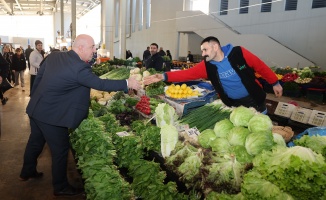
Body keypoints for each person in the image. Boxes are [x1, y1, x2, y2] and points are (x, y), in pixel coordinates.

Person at [19, 34, 140, 197]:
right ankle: (60, 187)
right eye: (92, 47)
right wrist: (127, 83)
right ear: (81, 47)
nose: (95, 51)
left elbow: (40, 77)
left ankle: (27, 172)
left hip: (36, 108)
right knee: (61, 150)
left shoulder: (54, 56)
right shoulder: (79, 67)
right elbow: (100, 84)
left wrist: (36, 98)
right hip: (52, 117)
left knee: (35, 141)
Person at [144, 36, 283, 113]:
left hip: (254, 99)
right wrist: (163, 76)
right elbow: (188, 74)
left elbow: (260, 66)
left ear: (215, 46)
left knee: (259, 129)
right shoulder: (207, 65)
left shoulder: (239, 53)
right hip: (233, 104)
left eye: (205, 50)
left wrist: (275, 82)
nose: (203, 54)